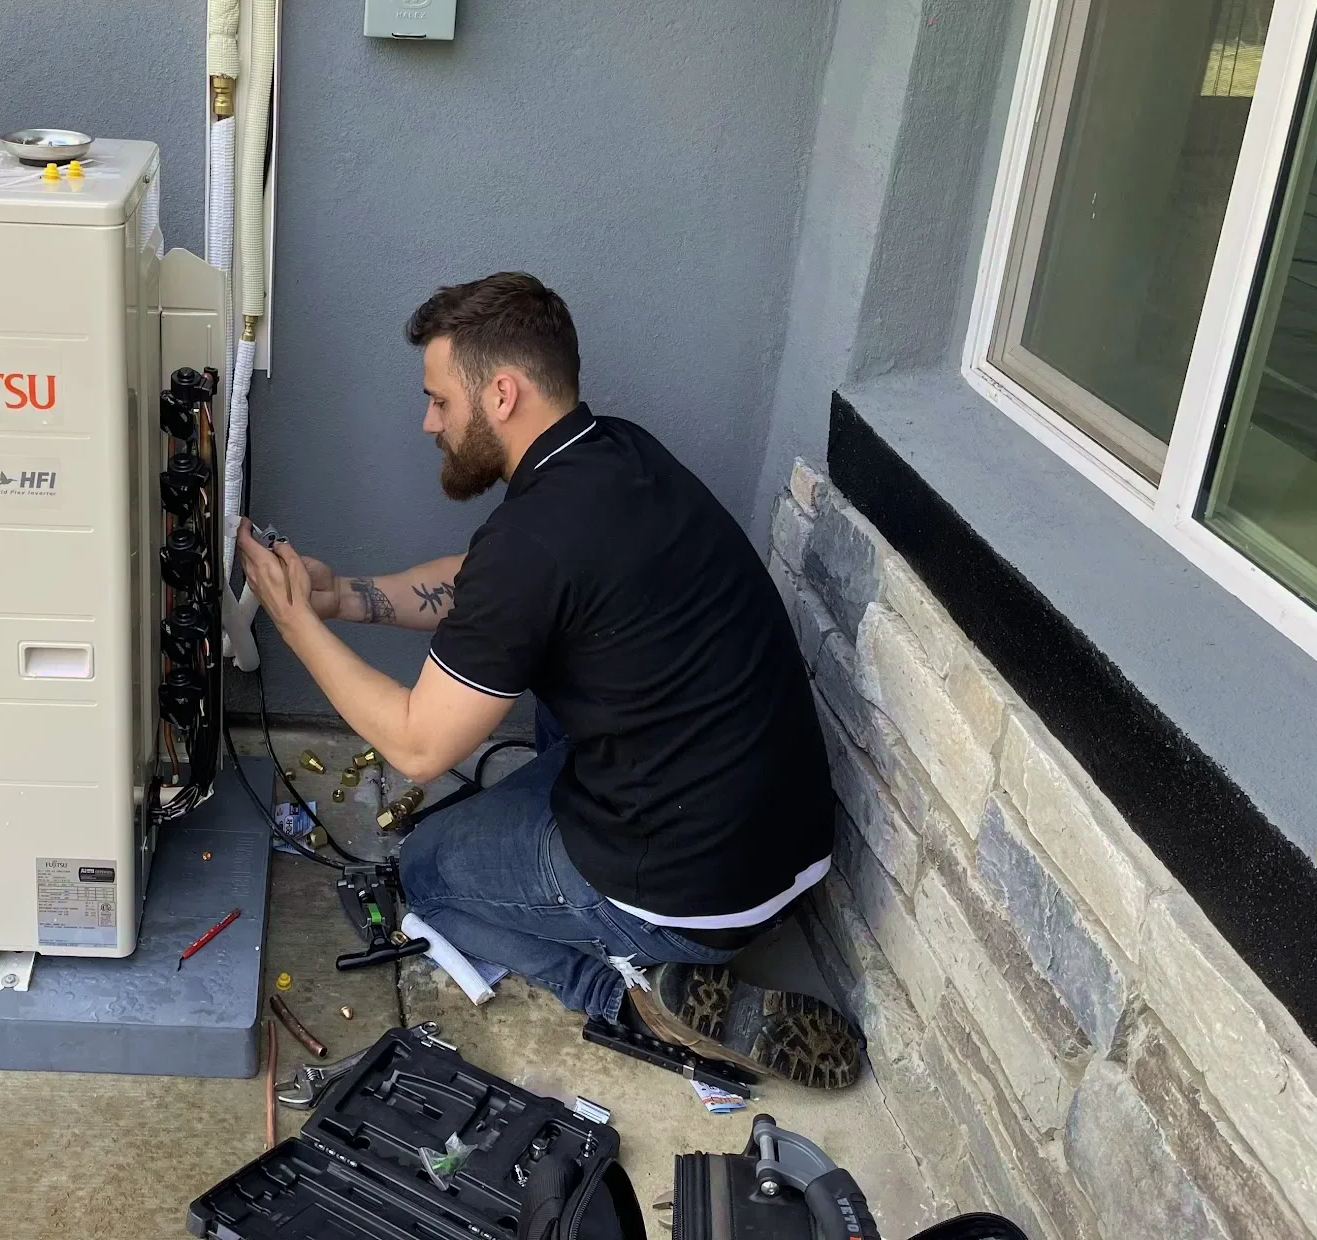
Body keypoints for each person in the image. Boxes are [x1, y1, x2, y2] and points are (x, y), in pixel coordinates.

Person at [236, 271, 862, 1088]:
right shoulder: (618, 453)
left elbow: (418, 746)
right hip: (784, 848)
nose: (429, 422)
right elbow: (483, 587)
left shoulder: (533, 543)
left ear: (501, 394)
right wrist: (342, 596)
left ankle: (627, 994)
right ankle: (639, 928)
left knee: (427, 870)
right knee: (557, 676)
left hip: (690, 892)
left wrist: (297, 626)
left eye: (440, 401)